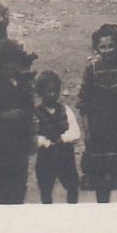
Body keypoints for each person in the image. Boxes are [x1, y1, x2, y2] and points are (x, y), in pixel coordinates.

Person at [78, 23, 117, 203]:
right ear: (96, 48)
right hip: (99, 132)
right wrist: (87, 133)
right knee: (102, 181)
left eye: (111, 46)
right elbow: (84, 104)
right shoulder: (92, 70)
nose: (107, 50)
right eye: (102, 47)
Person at [0, 38, 37, 204]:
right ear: (1, 64)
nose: (12, 67)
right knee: (5, 182)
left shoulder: (23, 83)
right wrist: (10, 116)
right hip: (1, 142)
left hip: (21, 141)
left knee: (20, 181)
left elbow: (30, 110)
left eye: (16, 63)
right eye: (8, 63)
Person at [32, 70, 82, 204]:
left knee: (72, 186)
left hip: (65, 156)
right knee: (45, 189)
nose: (52, 94)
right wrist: (44, 142)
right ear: (41, 93)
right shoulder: (36, 113)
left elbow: (75, 131)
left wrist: (64, 139)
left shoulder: (65, 110)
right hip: (45, 158)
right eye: (48, 91)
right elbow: (32, 135)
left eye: (55, 91)